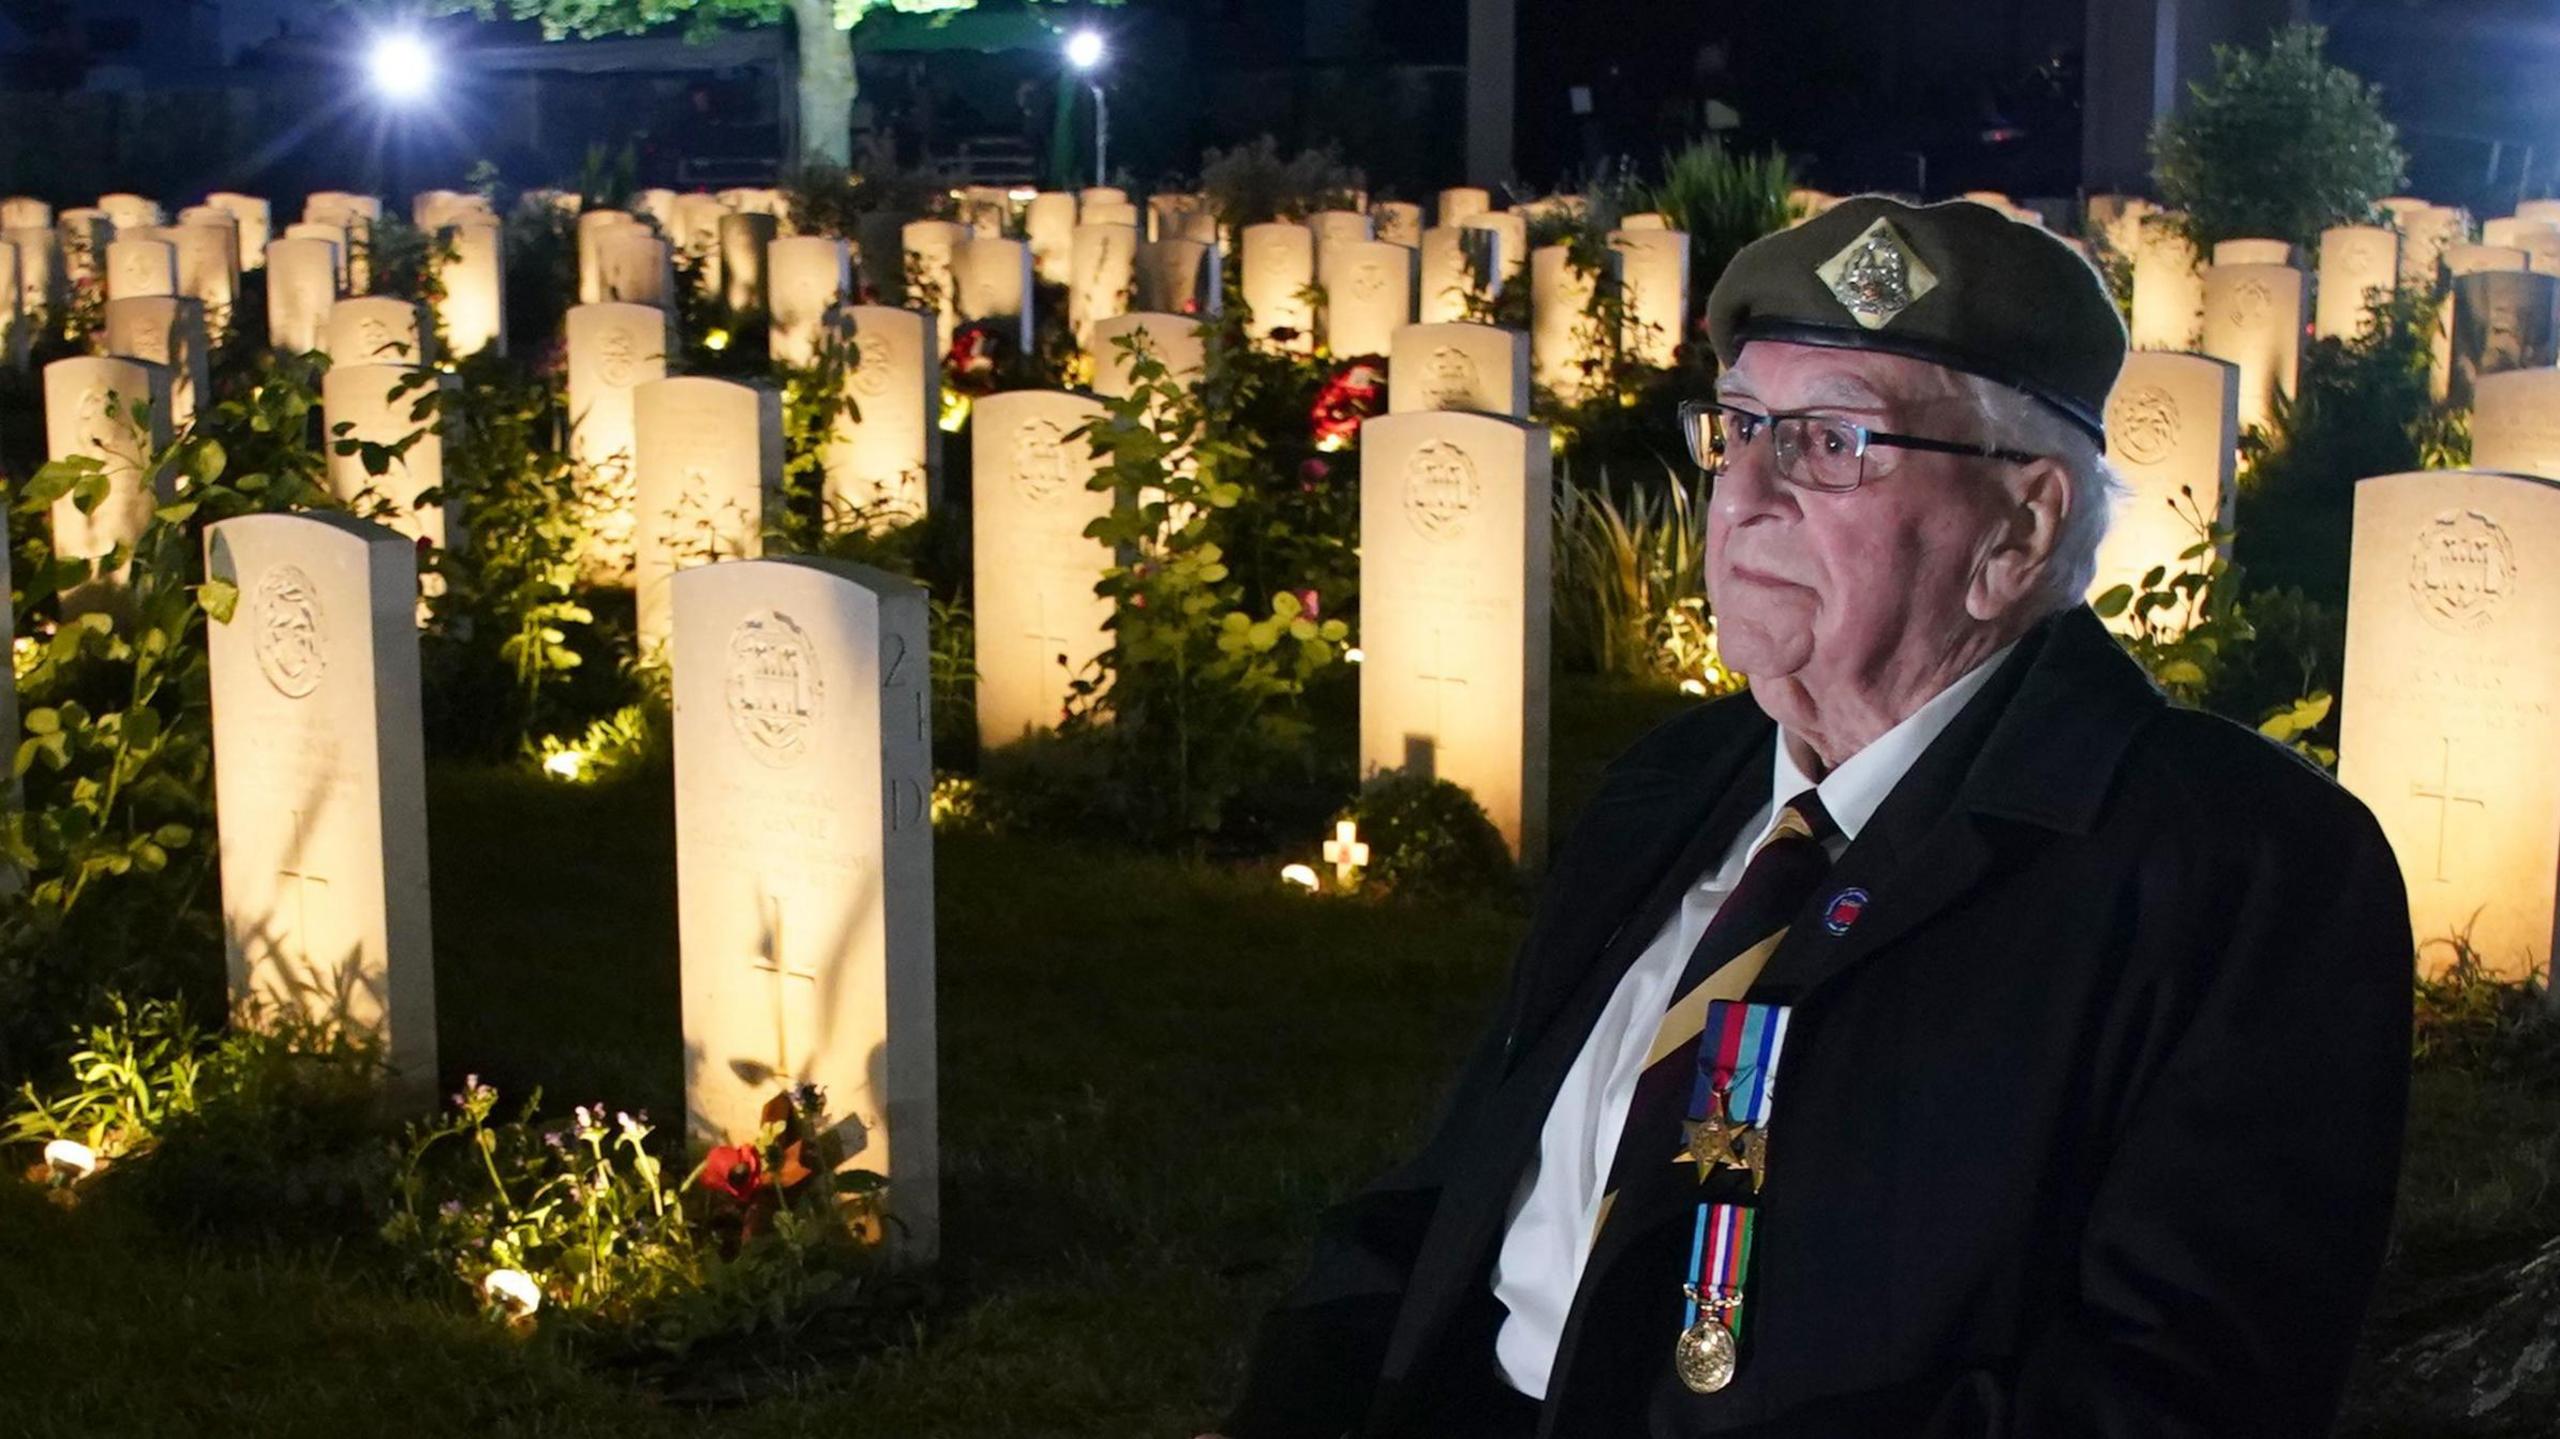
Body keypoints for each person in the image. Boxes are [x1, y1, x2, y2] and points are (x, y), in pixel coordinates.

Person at [1207, 196, 2413, 1438]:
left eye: (1831, 440)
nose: (1744, 497)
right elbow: (1443, 1195)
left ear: (2020, 524)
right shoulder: (1676, 782)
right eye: (1737, 428)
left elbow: (2171, 1397)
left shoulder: (2236, 871)